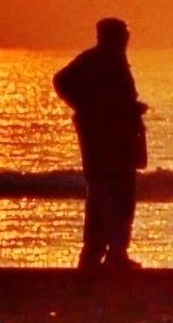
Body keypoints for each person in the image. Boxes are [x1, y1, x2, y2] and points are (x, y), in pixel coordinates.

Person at [52, 17, 148, 272]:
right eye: (123, 34)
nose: (127, 38)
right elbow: (61, 80)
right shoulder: (99, 59)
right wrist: (87, 107)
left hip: (118, 135)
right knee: (111, 193)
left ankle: (101, 251)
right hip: (106, 139)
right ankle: (108, 251)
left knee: (109, 193)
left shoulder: (112, 60)